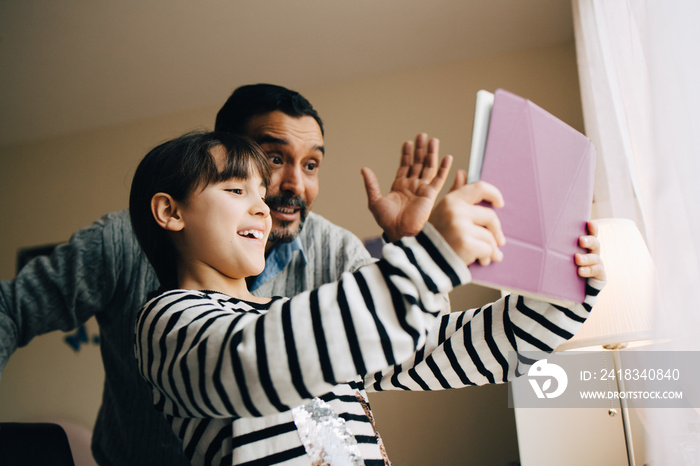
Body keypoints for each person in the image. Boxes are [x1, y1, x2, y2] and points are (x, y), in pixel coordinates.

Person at [0, 84, 466, 465]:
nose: (294, 186)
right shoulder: (121, 246)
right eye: (272, 161)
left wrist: (410, 245)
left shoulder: (334, 249)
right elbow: (11, 310)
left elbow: (416, 337)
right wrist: (432, 255)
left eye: (311, 165)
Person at [129, 131, 605, 466]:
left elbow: (450, 348)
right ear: (170, 211)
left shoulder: (310, 322)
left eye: (260, 191)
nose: (262, 206)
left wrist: (565, 291)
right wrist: (432, 257)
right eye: (236, 190)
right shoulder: (168, 319)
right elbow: (252, 364)